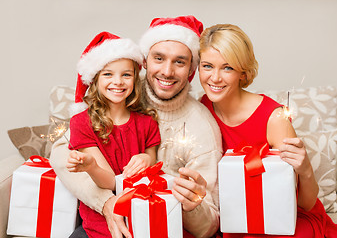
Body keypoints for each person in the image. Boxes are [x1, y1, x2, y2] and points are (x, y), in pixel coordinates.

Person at [50, 16, 223, 238]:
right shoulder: (119, 92)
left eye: (179, 61)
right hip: (103, 217)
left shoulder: (201, 126)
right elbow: (61, 151)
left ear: (191, 68)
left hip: (163, 226)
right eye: (158, 58)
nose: (167, 72)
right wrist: (106, 203)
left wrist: (192, 204)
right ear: (145, 60)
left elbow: (207, 226)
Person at [199, 24, 337, 237]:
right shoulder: (203, 108)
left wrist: (306, 169)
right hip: (240, 216)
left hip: (288, 217)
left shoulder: (273, 118)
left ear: (243, 73)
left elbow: (306, 204)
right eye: (207, 66)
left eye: (227, 68)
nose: (215, 78)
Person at [59, 31, 161, 238]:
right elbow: (110, 183)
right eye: (108, 74)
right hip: (100, 220)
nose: (118, 81)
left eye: (126, 74)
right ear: (95, 80)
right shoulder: (82, 123)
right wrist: (91, 167)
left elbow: (153, 161)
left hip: (142, 214)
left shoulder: (147, 122)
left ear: (135, 79)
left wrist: (146, 158)